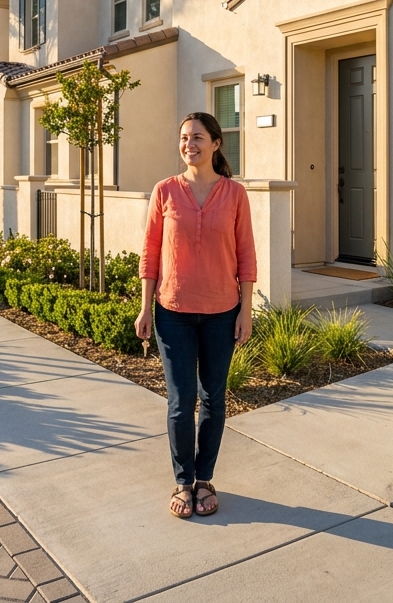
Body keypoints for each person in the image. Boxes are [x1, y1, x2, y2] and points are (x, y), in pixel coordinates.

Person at [135, 111, 256, 519]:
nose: (190, 144)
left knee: (214, 400)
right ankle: (183, 482)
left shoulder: (235, 194)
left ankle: (205, 478)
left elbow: (246, 256)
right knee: (181, 401)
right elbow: (150, 253)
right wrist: (145, 307)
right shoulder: (165, 191)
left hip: (223, 312)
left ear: (216, 144)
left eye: (198, 137)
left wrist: (246, 311)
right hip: (173, 312)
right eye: (184, 138)